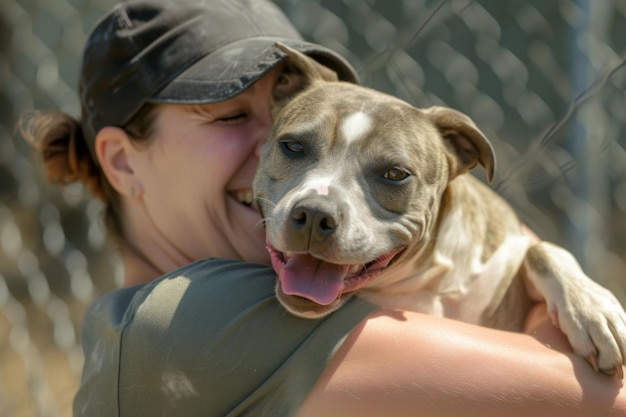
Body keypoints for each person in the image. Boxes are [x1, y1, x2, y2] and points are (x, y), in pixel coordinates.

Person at [20, 0, 626, 416]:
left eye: (289, 111)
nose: (269, 152)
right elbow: (603, 399)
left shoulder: (143, 316)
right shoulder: (189, 322)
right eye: (234, 118)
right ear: (123, 162)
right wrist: (542, 270)